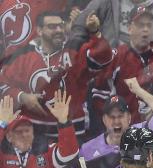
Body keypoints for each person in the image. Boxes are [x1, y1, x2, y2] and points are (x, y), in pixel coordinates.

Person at [0, 11, 112, 140]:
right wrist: (22, 97)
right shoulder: (24, 56)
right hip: (33, 136)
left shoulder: (74, 50)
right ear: (39, 30)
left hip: (72, 131)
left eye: (60, 26)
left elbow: (103, 58)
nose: (58, 30)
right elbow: (3, 85)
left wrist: (95, 33)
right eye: (52, 27)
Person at [74, 81, 153, 168]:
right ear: (104, 120)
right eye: (112, 117)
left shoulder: (143, 132)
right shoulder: (88, 149)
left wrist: (139, 91)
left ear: (129, 118)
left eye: (120, 116)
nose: (116, 121)